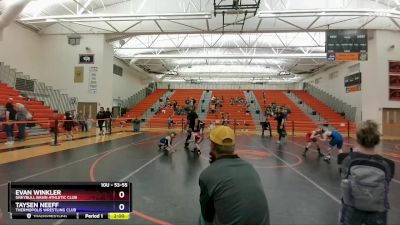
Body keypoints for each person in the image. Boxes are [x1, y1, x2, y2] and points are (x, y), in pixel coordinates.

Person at [199, 126, 270, 225]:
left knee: (202, 217)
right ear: (233, 146)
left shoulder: (207, 174)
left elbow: (207, 215)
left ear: (212, 146)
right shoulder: (250, 168)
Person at [338, 120, 395, 225]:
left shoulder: (348, 160)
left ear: (358, 138)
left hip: (352, 210)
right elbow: (387, 184)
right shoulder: (387, 164)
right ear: (377, 140)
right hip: (377, 213)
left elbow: (344, 179)